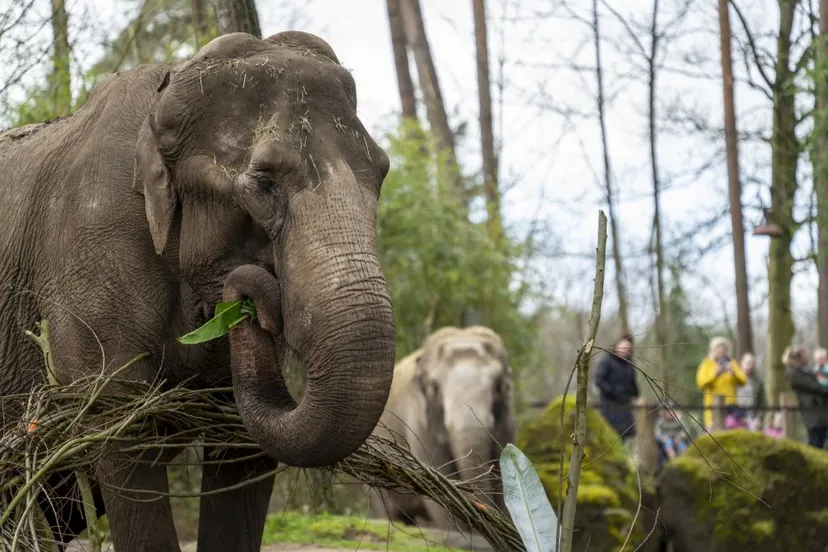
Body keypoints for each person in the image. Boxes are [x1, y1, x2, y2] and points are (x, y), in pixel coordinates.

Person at [594, 333, 640, 442]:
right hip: (609, 405)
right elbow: (599, 380)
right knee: (610, 435)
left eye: (628, 349)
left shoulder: (629, 364)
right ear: (617, 346)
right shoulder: (607, 361)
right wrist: (613, 391)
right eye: (623, 347)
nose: (625, 350)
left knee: (625, 436)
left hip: (625, 407)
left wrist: (636, 397)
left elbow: (633, 384)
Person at [695, 336, 747, 431]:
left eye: (723, 349)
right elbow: (700, 383)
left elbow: (743, 380)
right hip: (712, 407)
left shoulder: (732, 363)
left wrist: (734, 373)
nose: (721, 351)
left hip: (731, 408)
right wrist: (715, 374)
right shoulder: (707, 364)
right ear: (713, 350)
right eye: (718, 349)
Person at [785, 348, 828, 449]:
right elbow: (815, 387)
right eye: (805, 356)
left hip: (821, 413)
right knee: (815, 443)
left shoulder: (804, 371)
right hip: (813, 415)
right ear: (798, 358)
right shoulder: (794, 373)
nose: (808, 358)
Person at [735, 352, 766, 431]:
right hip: (736, 419)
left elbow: (763, 403)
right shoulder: (734, 379)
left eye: (752, 363)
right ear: (742, 363)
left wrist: (759, 418)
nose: (750, 366)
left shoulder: (758, 382)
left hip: (752, 420)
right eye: (748, 363)